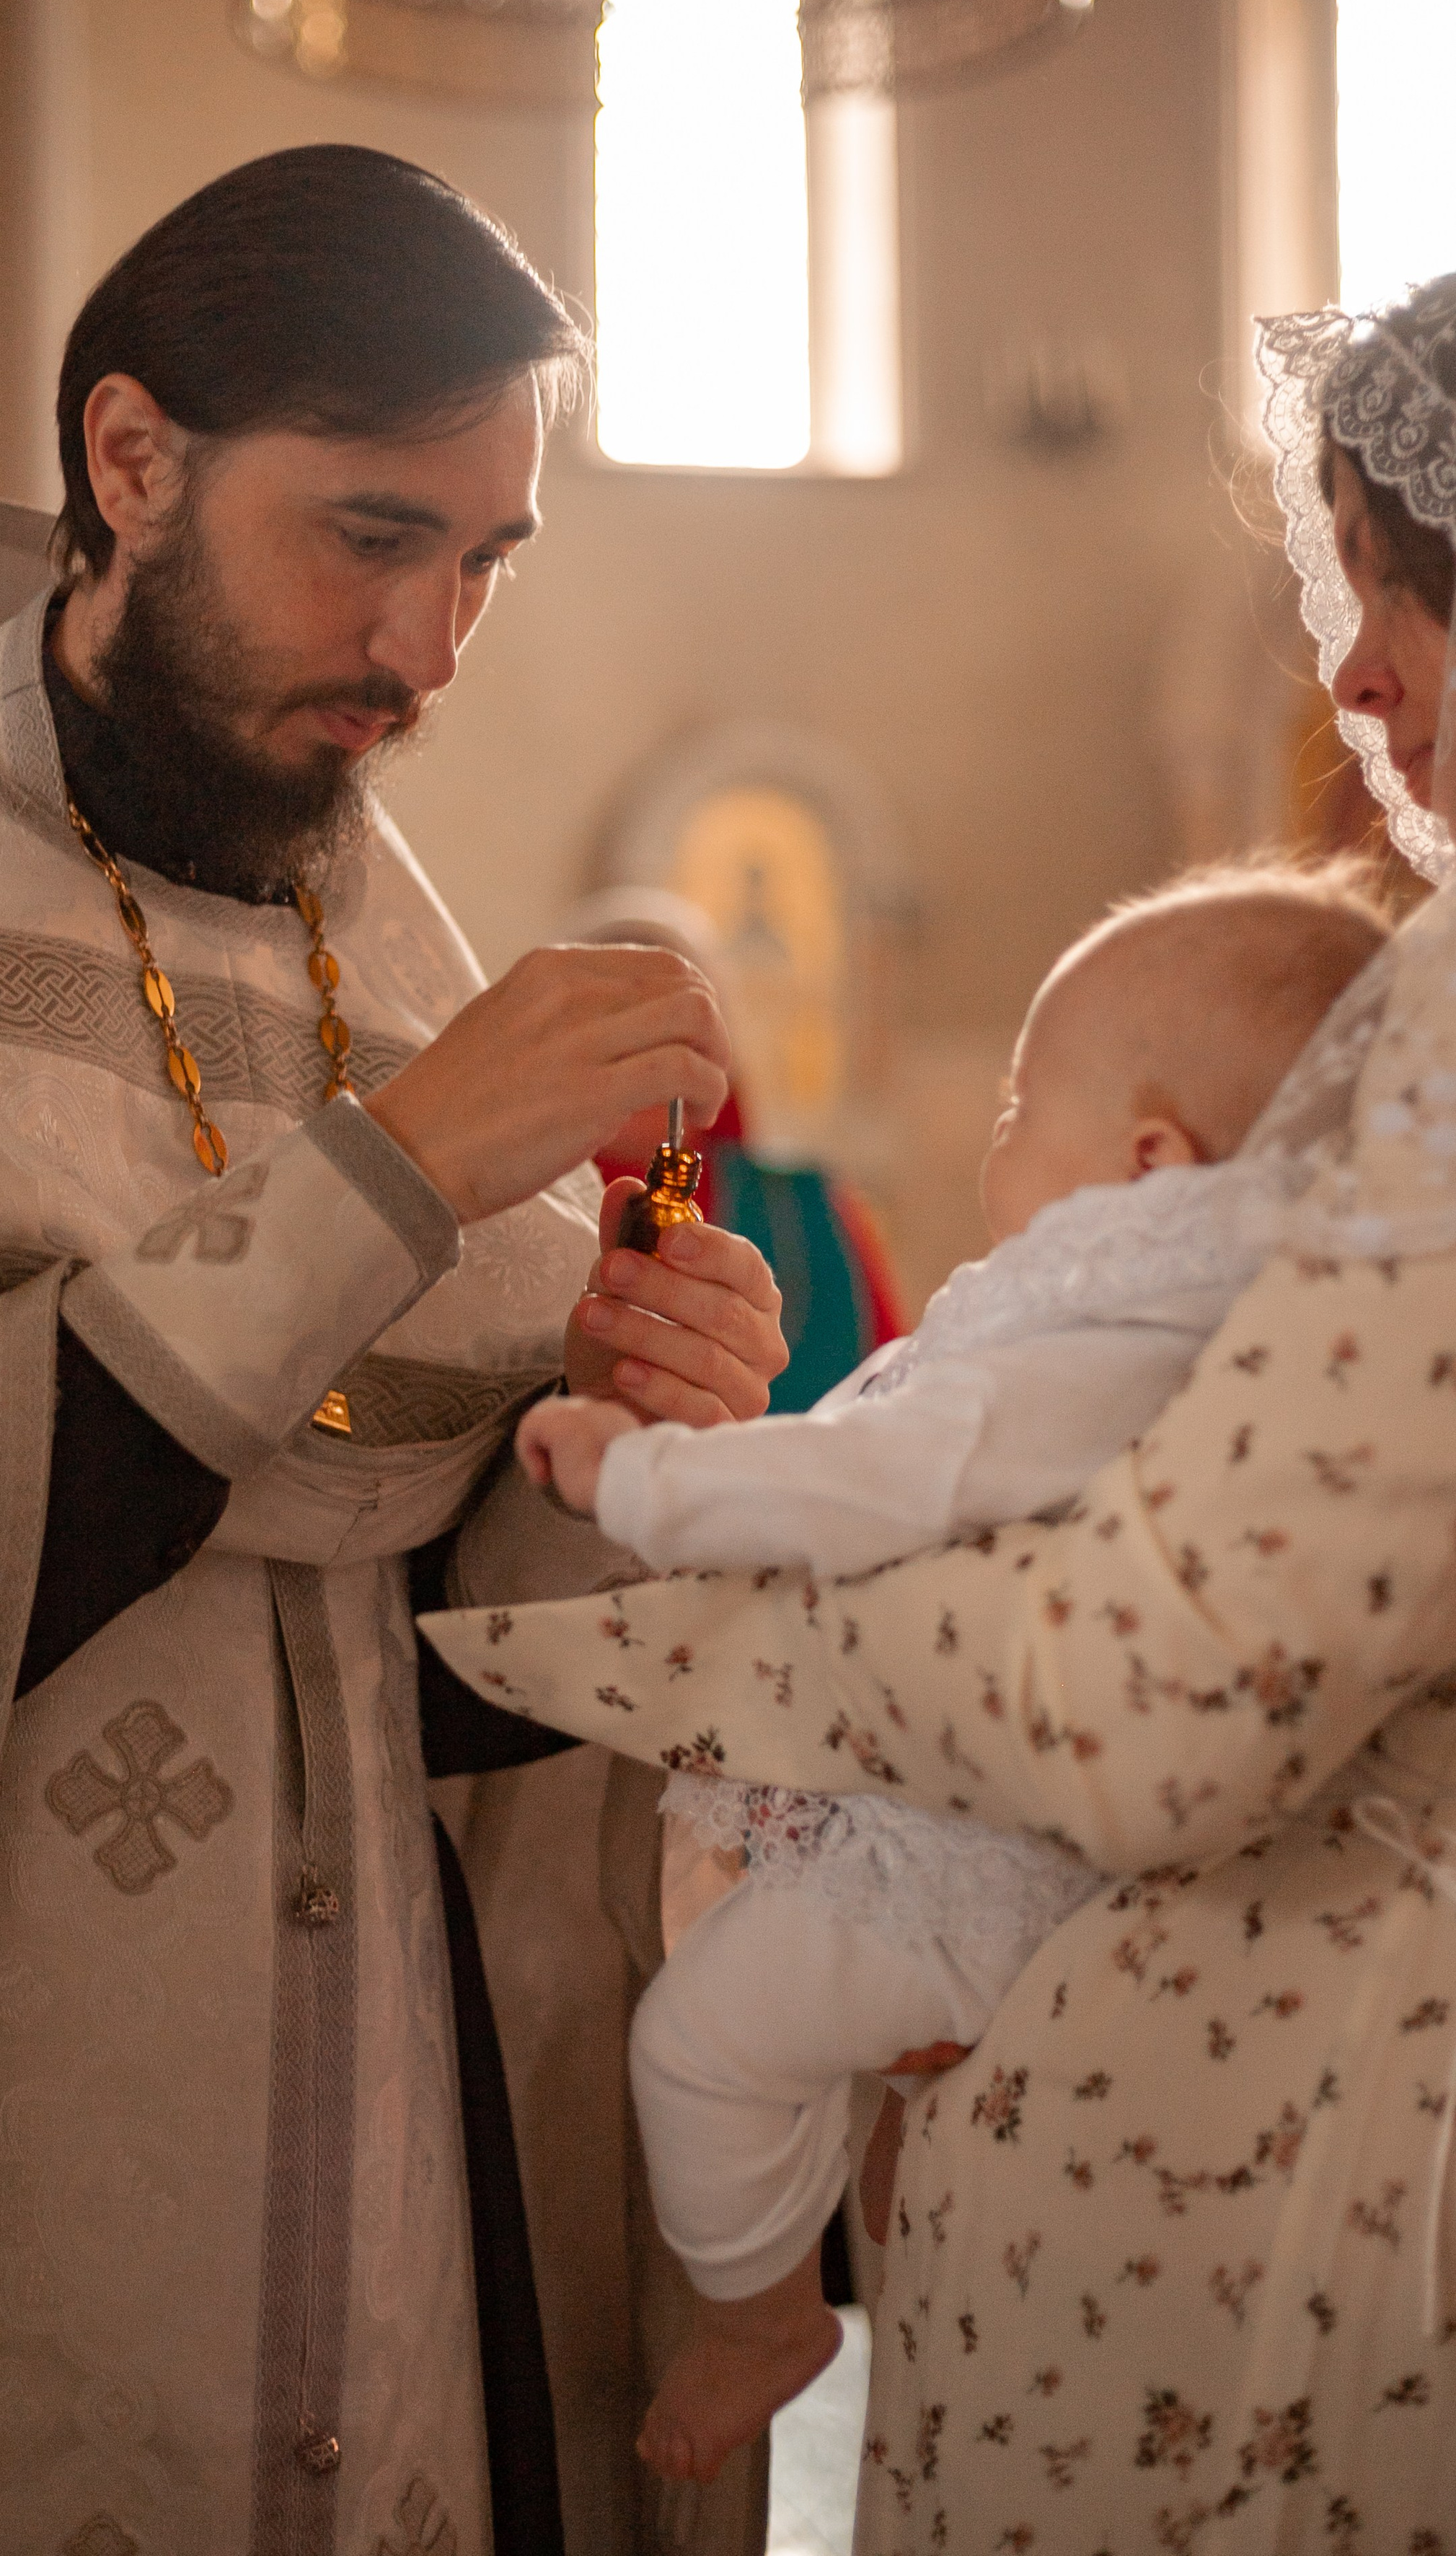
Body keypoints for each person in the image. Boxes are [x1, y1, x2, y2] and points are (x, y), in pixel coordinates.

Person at [0, 146, 791, 2556]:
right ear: (128, 463)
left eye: (485, 560)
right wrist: (395, 1181)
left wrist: (609, 1433)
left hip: (394, 2179)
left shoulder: (383, 967)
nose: (436, 646)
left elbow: (423, 1662)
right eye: (375, 537)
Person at [424, 270, 1456, 2545]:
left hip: (1301, 2164)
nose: (1353, 674)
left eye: (1404, 601)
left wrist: (746, 1655)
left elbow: (1168, 1672)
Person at [519, 860, 1393, 2485]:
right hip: (1084, 1870)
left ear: (1147, 1163)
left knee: (698, 2041)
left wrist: (636, 1483)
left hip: (964, 1859)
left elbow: (878, 1471)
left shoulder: (1085, 1349)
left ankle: (758, 2317)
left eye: (1015, 1102)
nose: (994, 1138)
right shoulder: (1250, 1327)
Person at [567, 890, 906, 1405]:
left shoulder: (809, 1211)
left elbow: (895, 1398)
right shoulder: (517, 1205)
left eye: (676, 1024)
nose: (650, 1053)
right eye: (617, 1021)